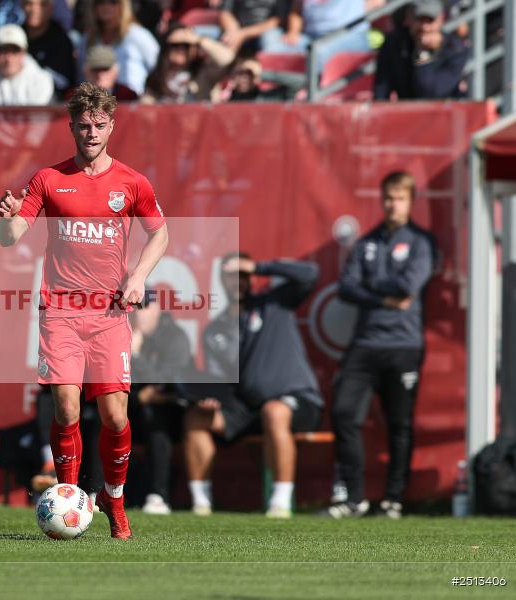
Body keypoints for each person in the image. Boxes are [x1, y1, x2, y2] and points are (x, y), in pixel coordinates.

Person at [0, 82, 168, 539]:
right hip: (61, 312)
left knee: (115, 417)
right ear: (71, 126)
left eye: (99, 125)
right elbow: (10, 236)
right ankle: (70, 498)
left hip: (110, 315)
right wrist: (6, 218)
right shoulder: (48, 179)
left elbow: (160, 234)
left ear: (112, 125)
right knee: (67, 407)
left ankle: (114, 497)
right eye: (83, 125)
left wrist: (138, 277)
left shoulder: (131, 182)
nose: (90, 132)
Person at [327, 171, 437, 519]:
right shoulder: (367, 242)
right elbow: (345, 287)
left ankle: (393, 499)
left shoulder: (421, 242)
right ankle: (355, 498)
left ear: (410, 201)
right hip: (365, 342)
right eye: (388, 198)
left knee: (398, 422)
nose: (392, 204)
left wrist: (372, 286)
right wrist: (383, 296)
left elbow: (408, 285)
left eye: (400, 198)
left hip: (403, 344)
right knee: (344, 412)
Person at [184, 253, 323, 518]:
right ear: (221, 280)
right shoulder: (215, 330)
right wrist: (210, 399)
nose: (237, 281)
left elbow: (310, 274)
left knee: (274, 411)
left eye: (243, 275)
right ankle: (201, 503)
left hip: (296, 401)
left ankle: (280, 502)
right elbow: (219, 381)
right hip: (248, 407)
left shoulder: (275, 303)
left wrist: (261, 266)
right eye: (230, 275)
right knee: (196, 417)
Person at [128, 294, 193, 515]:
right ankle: (95, 491)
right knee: (103, 411)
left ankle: (159, 495)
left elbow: (168, 382)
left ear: (156, 309)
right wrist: (138, 396)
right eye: (134, 306)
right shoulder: (120, 331)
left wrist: (135, 355)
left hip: (171, 413)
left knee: (155, 415)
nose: (138, 312)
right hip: (132, 404)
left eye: (144, 306)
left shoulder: (175, 336)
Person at [373, 0, 470, 100]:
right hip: (406, 111)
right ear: (409, 18)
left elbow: (428, 94)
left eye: (430, 21)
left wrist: (424, 52)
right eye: (419, 20)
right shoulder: (395, 43)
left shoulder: (455, 48)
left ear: (441, 19)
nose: (424, 27)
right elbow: (381, 89)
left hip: (444, 112)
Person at [260, 0, 370, 70]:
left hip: (351, 35)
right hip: (312, 38)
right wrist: (293, 32)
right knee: (272, 43)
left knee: (319, 51)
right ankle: (273, 92)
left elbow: (377, 2)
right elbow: (296, 12)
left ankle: (309, 92)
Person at [81, 0, 160, 96]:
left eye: (113, 2)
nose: (106, 6)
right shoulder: (88, 39)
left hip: (132, 102)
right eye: (100, 2)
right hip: (97, 103)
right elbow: (81, 75)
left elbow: (159, 67)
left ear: (123, 6)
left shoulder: (138, 35)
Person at [142, 24, 234, 103]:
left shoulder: (202, 72)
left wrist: (198, 39)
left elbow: (228, 59)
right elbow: (145, 105)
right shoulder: (156, 78)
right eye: (175, 45)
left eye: (186, 45)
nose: (180, 49)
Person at [0, 24, 55, 105]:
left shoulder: (41, 81)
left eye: (14, 51)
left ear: (24, 53)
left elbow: (39, 120)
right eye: (3, 51)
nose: (8, 58)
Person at [22, 0, 77, 96]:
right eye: (29, 4)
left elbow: (62, 83)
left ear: (51, 9)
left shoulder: (61, 40)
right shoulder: (16, 36)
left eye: (43, 4)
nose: (34, 9)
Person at [219, 0, 288, 54]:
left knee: (269, 41)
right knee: (209, 35)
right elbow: (226, 13)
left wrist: (243, 34)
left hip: (267, 30)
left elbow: (278, 19)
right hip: (238, 28)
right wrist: (233, 32)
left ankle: (267, 70)